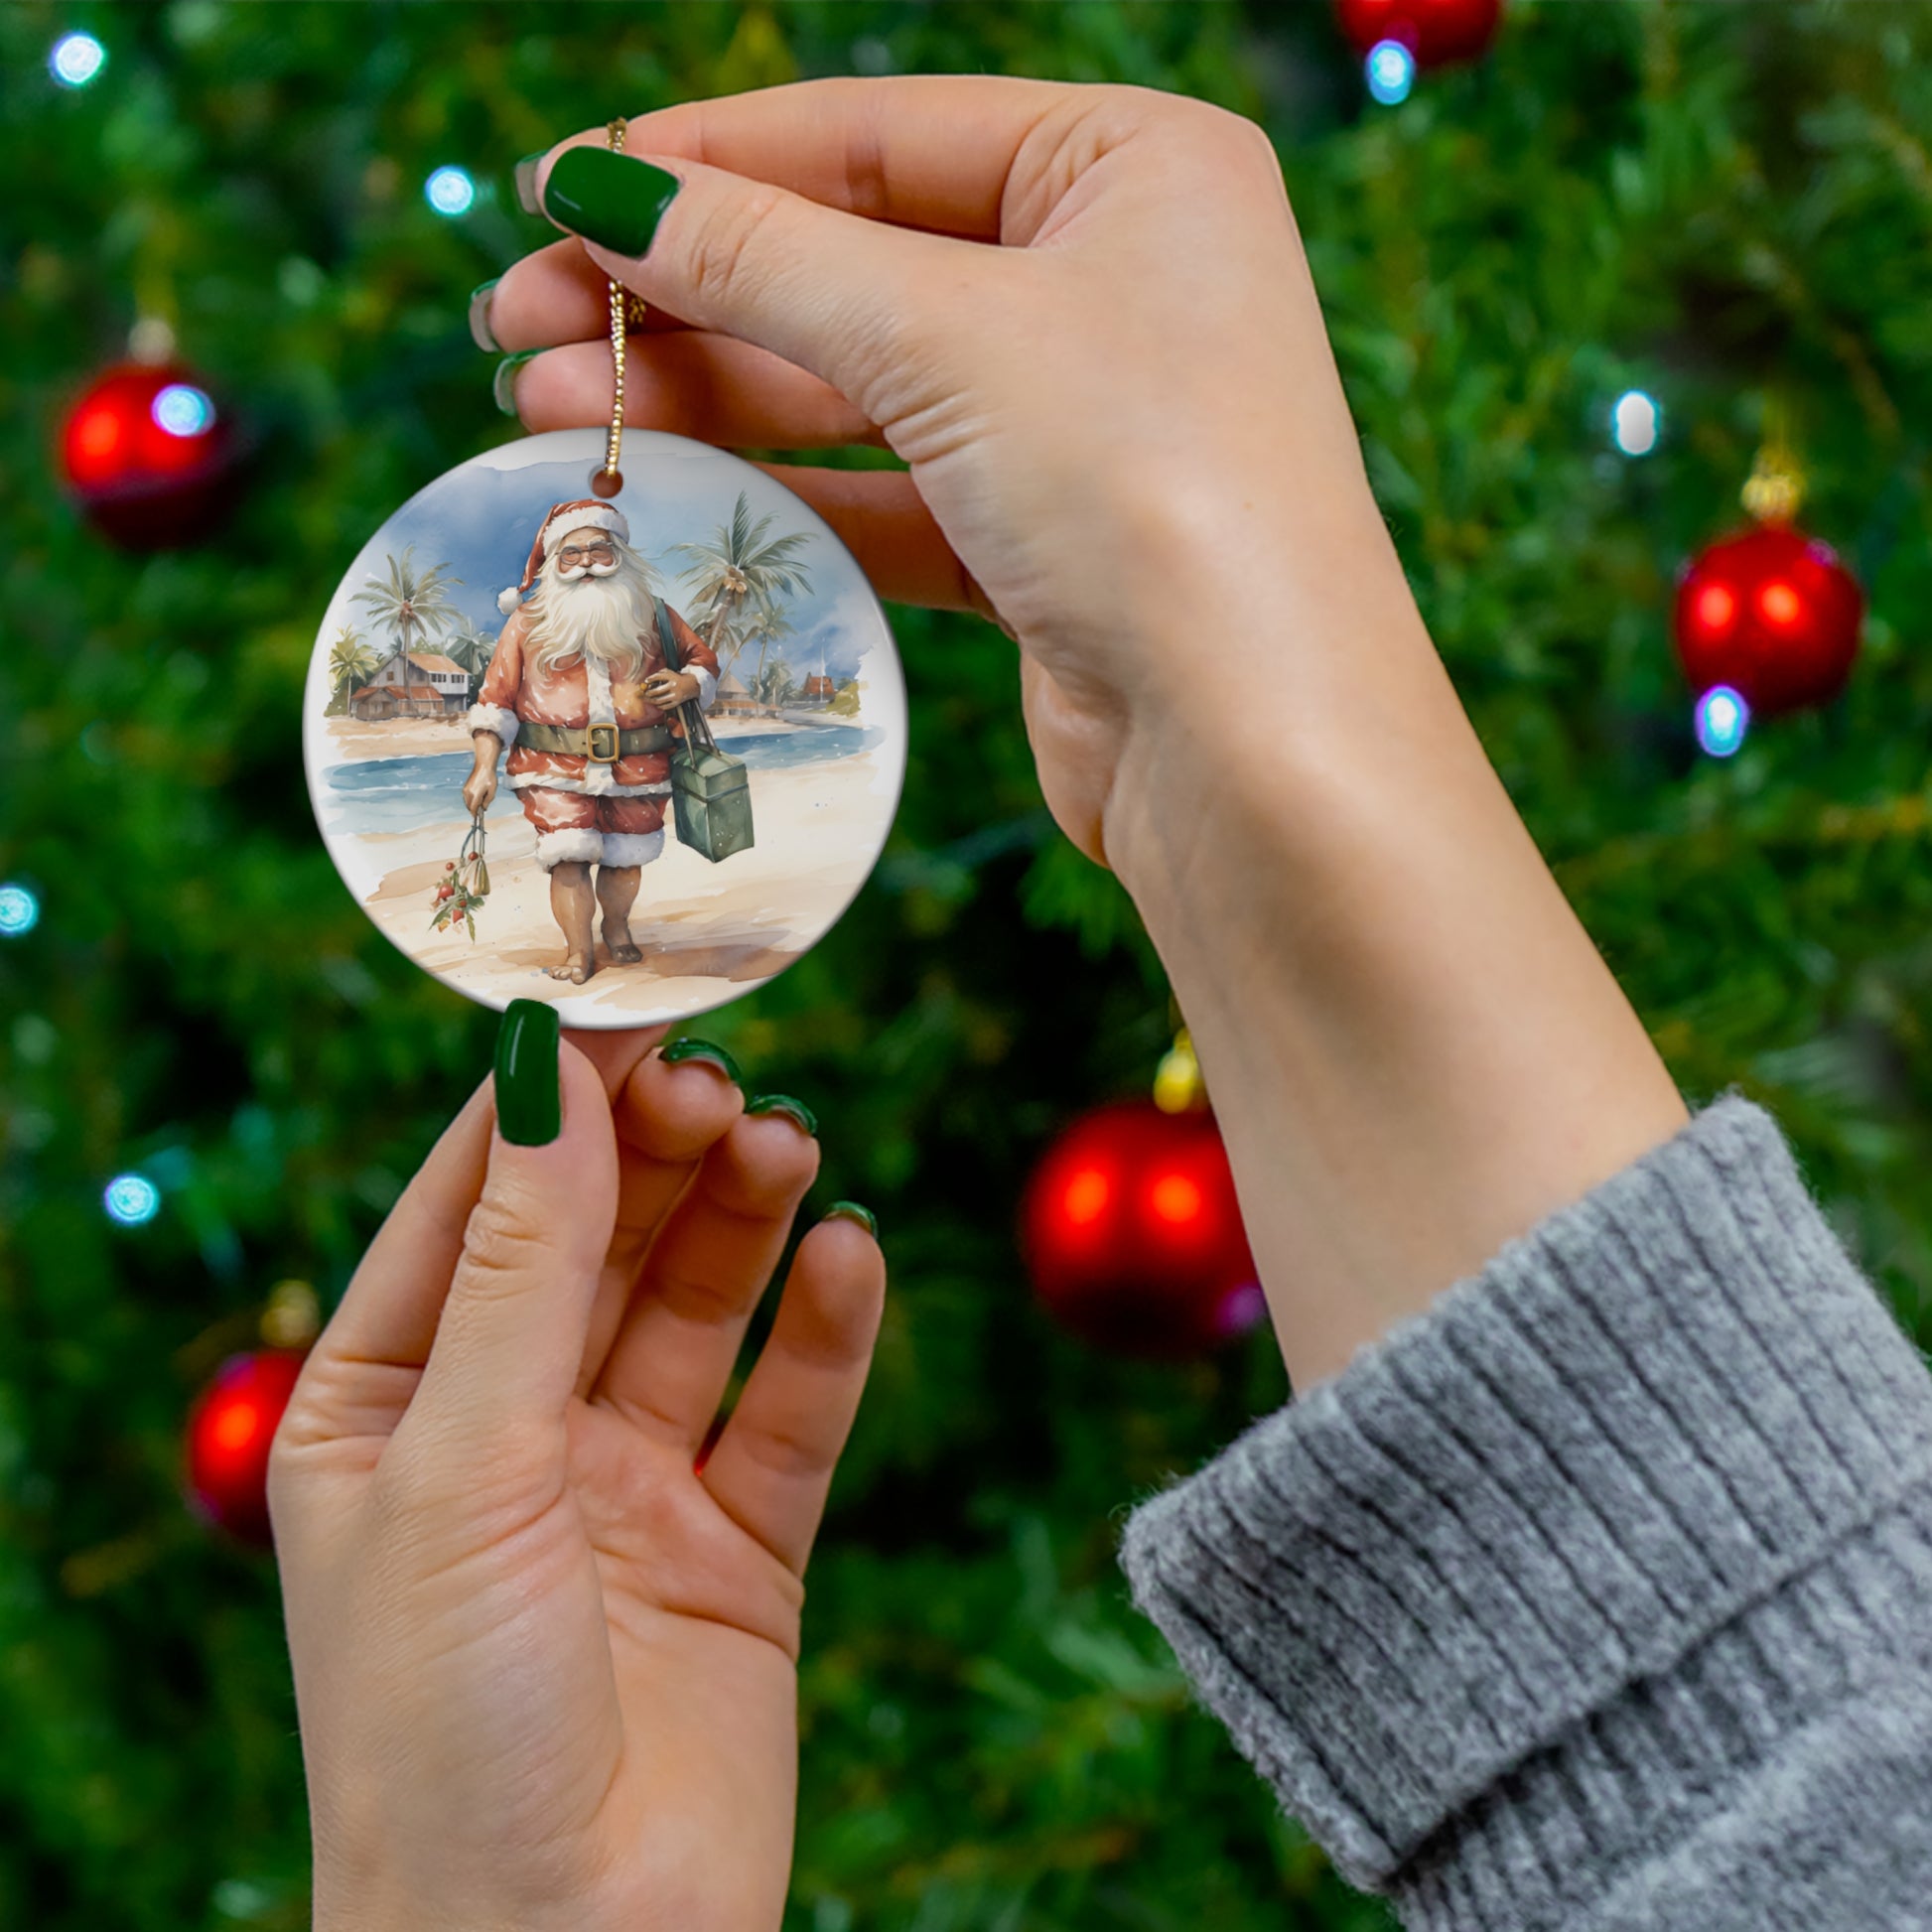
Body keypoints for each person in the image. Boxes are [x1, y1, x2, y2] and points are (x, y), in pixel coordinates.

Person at [269, 76, 1932, 1932]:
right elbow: (1788, 1783)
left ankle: (592, 909)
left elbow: (1791, 1788)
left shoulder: (630, 616)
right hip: (590, 791)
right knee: (587, 882)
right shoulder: (545, 605)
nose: (580, 559)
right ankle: (586, 915)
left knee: (603, 864)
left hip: (643, 772)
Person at [463, 499, 720, 982]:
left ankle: (617, 930)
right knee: (569, 859)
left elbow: (702, 660)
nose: (585, 562)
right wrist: (483, 767)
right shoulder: (527, 622)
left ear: (619, 553)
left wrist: (688, 684)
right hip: (551, 767)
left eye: (598, 550)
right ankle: (578, 951)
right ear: (553, 563)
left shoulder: (654, 614)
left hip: (642, 765)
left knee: (626, 861)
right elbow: (494, 702)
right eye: (571, 553)